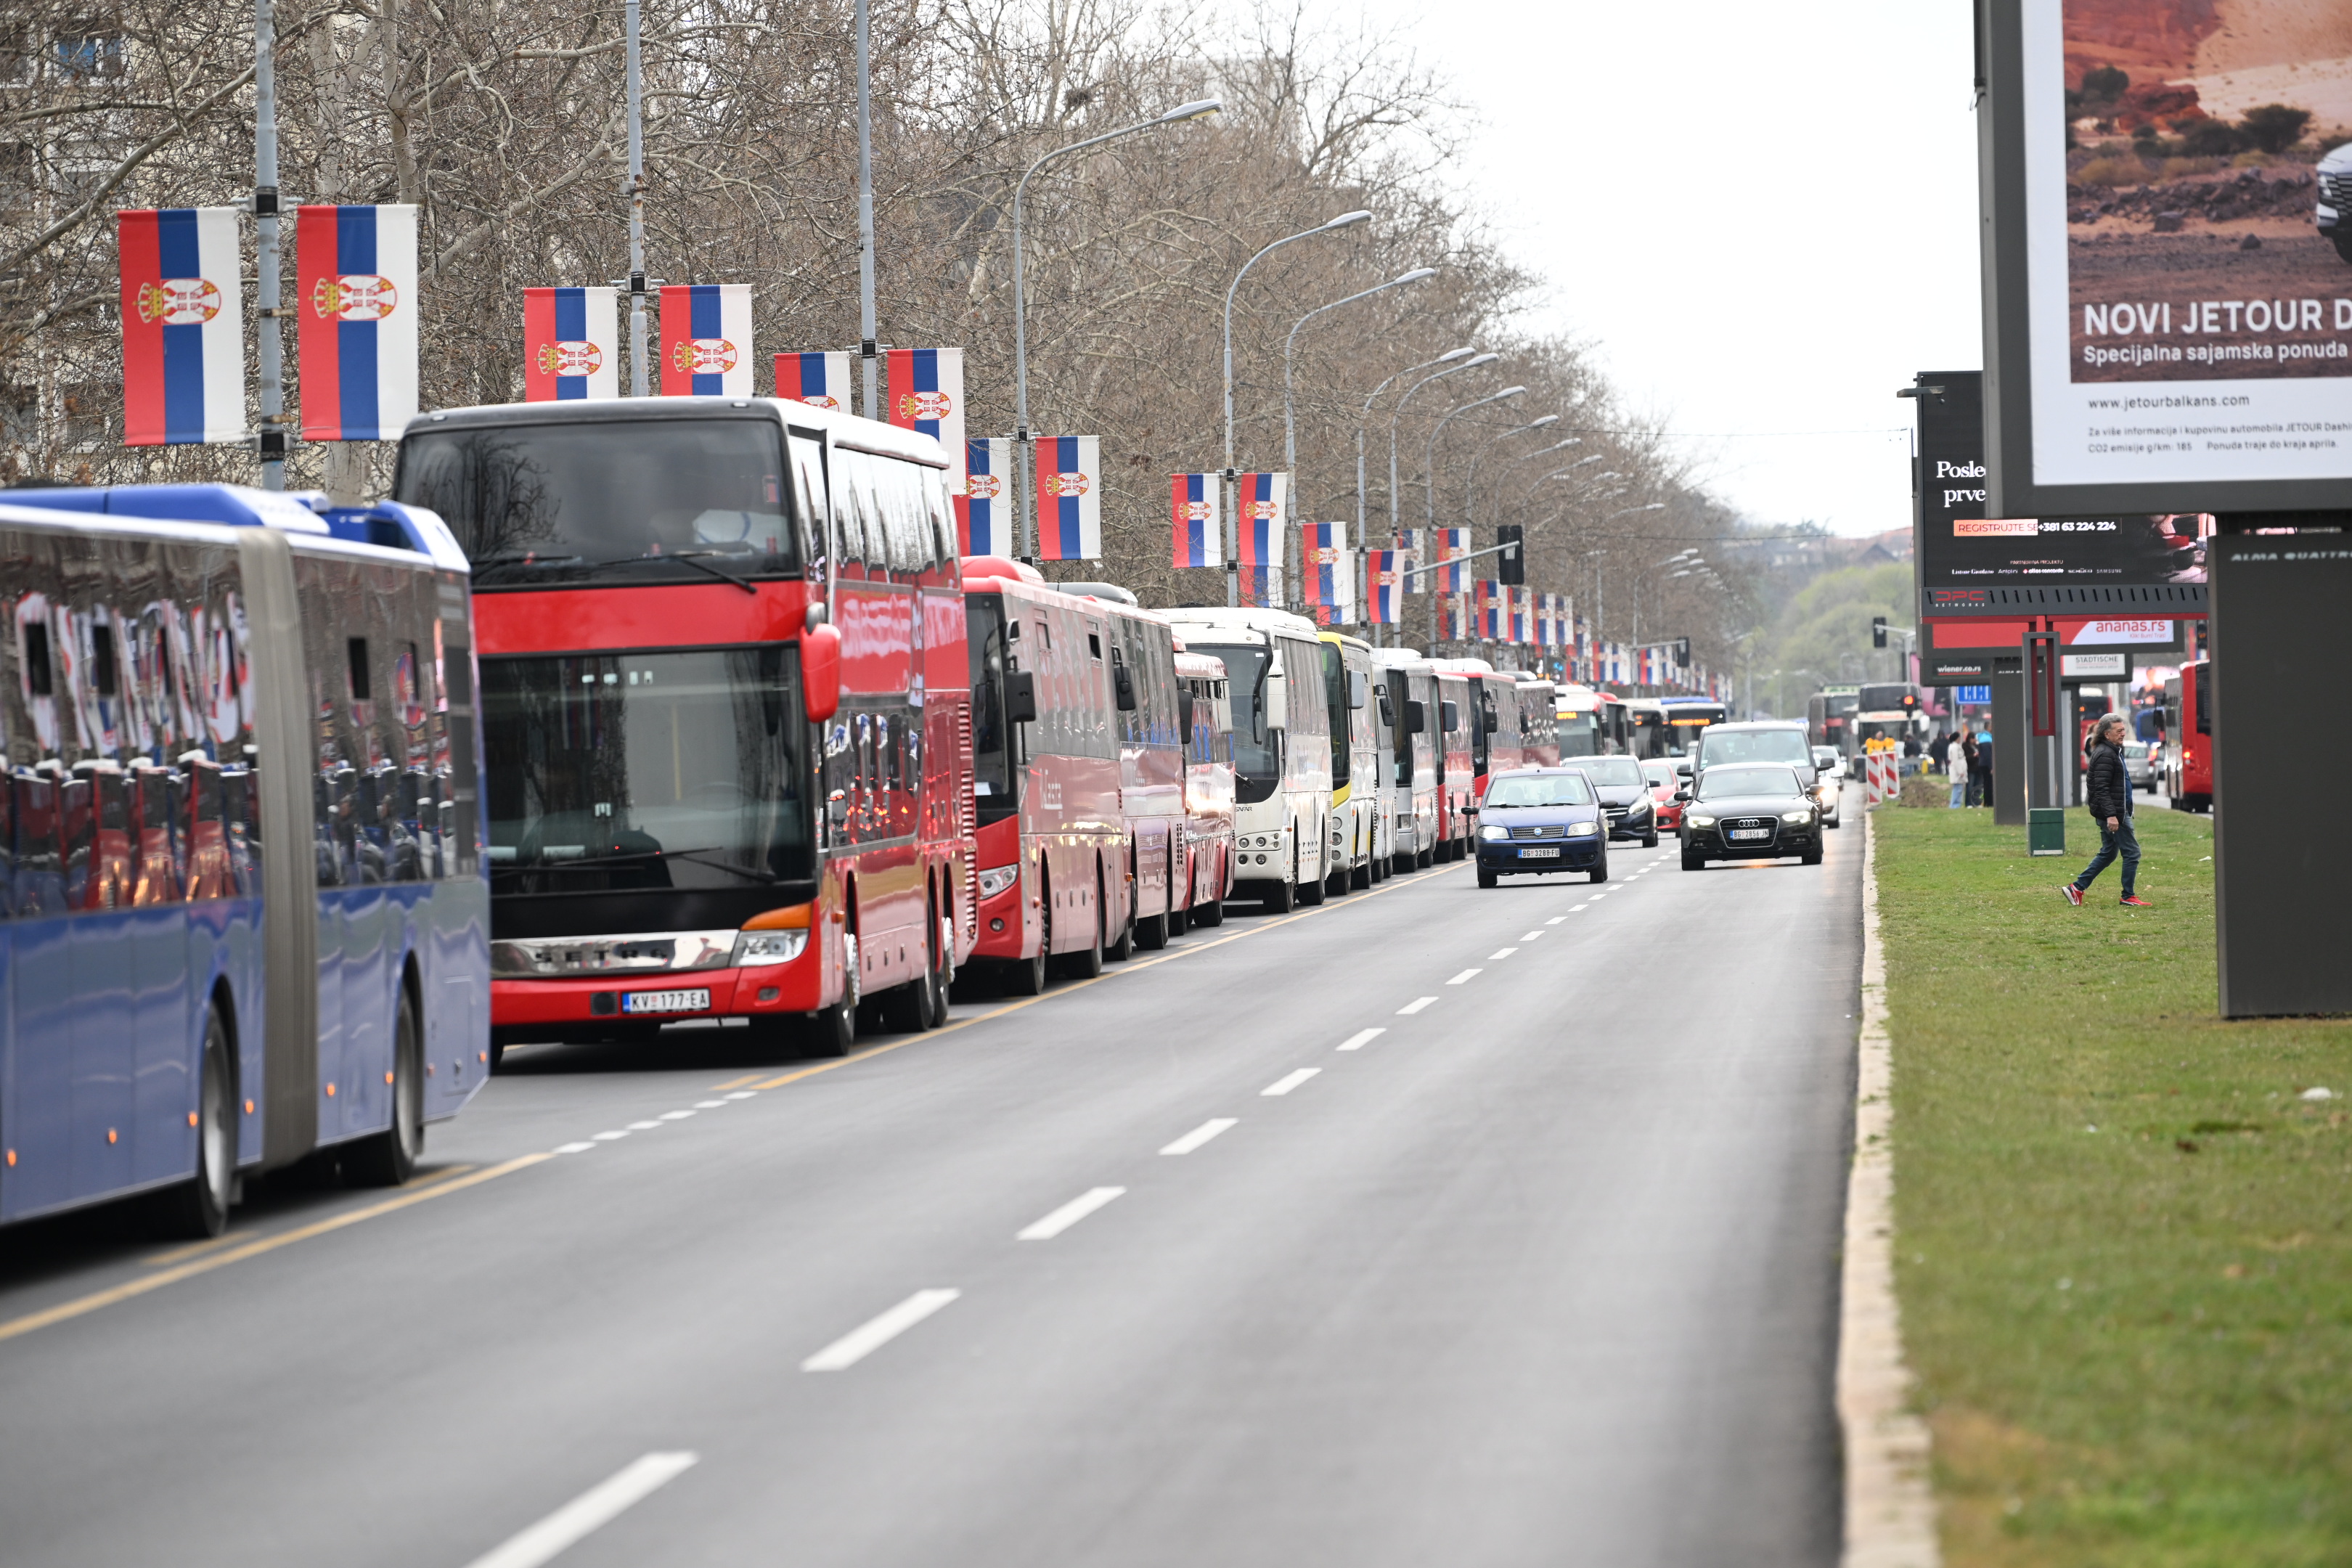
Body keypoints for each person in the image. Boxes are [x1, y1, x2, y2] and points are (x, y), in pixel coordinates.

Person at [2063, 713, 2149, 907]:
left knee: (2109, 852)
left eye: (2124, 730)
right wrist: (2112, 815)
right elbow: (2100, 789)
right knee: (2132, 853)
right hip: (2114, 814)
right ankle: (2128, 896)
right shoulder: (2105, 754)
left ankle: (2076, 888)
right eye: (2119, 731)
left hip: (2116, 811)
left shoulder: (2112, 751)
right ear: (2106, 734)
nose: (2123, 734)